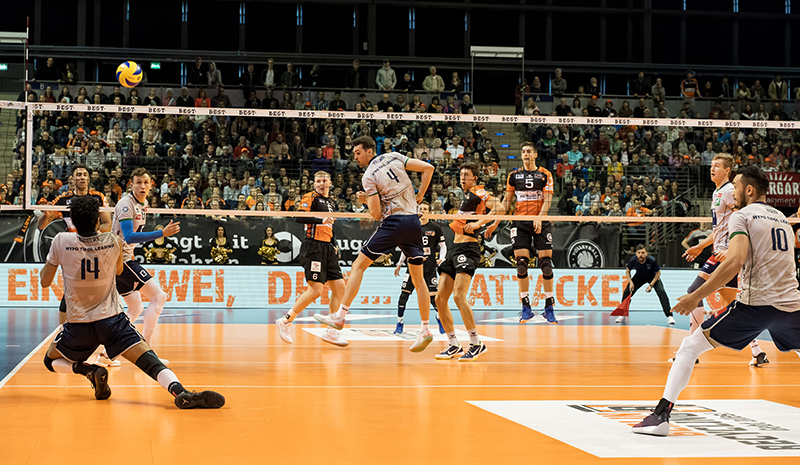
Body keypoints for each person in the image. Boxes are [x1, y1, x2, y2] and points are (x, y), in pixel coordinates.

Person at [633, 166, 800, 436]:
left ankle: (660, 416)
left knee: (689, 347)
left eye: (736, 188)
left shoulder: (742, 216)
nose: (732, 194)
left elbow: (734, 262)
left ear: (749, 190)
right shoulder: (782, 218)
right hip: (792, 304)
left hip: (755, 306)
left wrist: (695, 296)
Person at [39, 196, 223, 408]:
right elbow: (119, 270)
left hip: (79, 324)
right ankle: (180, 391)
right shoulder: (113, 241)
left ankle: (88, 370)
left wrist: (57, 260)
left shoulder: (60, 240)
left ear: (73, 222)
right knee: (150, 360)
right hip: (112, 321)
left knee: (50, 360)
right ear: (97, 221)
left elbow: (45, 282)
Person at [313, 136, 436, 352]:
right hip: (413, 222)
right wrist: (419, 197)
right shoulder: (395, 156)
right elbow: (428, 168)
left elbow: (377, 214)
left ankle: (340, 316)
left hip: (394, 223)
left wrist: (366, 200)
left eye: (358, 153)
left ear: (370, 151)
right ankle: (425, 329)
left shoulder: (368, 176)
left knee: (358, 266)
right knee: (419, 281)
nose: (355, 157)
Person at [680, 154, 767, 365]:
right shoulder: (717, 192)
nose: (712, 168)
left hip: (724, 254)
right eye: (711, 165)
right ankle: (757, 352)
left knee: (694, 291)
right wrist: (701, 245)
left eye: (717, 166)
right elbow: (719, 229)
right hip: (720, 252)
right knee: (731, 304)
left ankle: (690, 352)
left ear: (727, 170)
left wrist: (731, 249)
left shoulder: (729, 191)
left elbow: (744, 219)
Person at [35, 164, 114, 358]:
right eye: (78, 174)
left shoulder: (98, 197)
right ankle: (65, 335)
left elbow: (108, 224)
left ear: (89, 178)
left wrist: (90, 235)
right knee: (72, 291)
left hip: (94, 248)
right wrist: (46, 216)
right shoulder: (63, 200)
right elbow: (41, 225)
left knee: (94, 290)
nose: (82, 177)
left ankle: (98, 341)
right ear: (72, 178)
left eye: (85, 174)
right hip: (73, 250)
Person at [435, 163, 503, 362]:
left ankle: (476, 343)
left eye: (466, 175)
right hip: (454, 249)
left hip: (468, 249)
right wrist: (493, 224)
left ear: (475, 178)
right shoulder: (466, 197)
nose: (462, 177)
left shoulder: (477, 191)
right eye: (461, 174)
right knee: (440, 299)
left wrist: (481, 223)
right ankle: (453, 344)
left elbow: (500, 207)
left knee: (458, 296)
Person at [112, 168, 180, 364]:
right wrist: (161, 233)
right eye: (138, 182)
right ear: (131, 185)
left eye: (146, 182)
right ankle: (148, 353)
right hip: (120, 260)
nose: (142, 186)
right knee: (159, 297)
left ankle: (108, 353)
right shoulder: (126, 204)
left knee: (135, 308)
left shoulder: (143, 205)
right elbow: (129, 236)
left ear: (151, 186)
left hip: (123, 257)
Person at [276, 171, 348, 347]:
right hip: (313, 247)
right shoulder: (311, 197)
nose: (321, 184)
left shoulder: (331, 202)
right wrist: (320, 221)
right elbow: (300, 217)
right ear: (314, 183)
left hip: (328, 248)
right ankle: (285, 321)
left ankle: (331, 331)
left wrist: (334, 243)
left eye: (324, 181)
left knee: (340, 288)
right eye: (318, 181)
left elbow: (330, 227)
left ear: (330, 183)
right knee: (316, 290)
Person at [489, 142, 558, 324]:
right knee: (521, 264)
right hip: (520, 222)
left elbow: (548, 200)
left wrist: (540, 218)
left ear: (535, 155)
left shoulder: (545, 174)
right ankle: (526, 307)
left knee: (546, 265)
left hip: (540, 220)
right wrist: (495, 222)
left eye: (529, 152)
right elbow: (506, 203)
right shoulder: (513, 176)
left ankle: (549, 307)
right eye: (523, 152)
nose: (526, 154)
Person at [393, 201, 446, 335]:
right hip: (413, 266)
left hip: (429, 268)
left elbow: (443, 246)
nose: (422, 210)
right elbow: (405, 248)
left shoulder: (435, 227)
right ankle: (399, 323)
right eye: (420, 208)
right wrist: (399, 263)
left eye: (425, 208)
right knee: (404, 295)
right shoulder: (411, 227)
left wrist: (442, 258)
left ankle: (440, 319)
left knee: (434, 299)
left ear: (430, 211)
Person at [617, 245, 675, 325]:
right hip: (639, 277)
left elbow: (658, 273)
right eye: (639, 253)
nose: (641, 255)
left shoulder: (652, 260)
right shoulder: (633, 260)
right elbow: (627, 271)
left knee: (661, 291)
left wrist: (651, 285)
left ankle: (669, 316)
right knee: (627, 292)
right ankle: (622, 314)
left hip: (652, 277)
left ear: (646, 253)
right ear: (636, 253)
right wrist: (631, 282)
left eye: (643, 252)